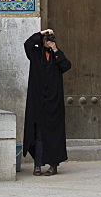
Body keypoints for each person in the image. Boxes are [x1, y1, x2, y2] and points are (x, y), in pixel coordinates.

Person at [23, 28, 71, 176]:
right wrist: (41, 34)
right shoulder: (36, 54)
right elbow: (27, 44)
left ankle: (53, 165)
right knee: (38, 134)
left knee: (53, 134)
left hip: (53, 102)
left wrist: (55, 49)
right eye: (46, 39)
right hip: (38, 101)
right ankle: (37, 165)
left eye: (50, 38)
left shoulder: (57, 55)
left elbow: (66, 66)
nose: (48, 41)